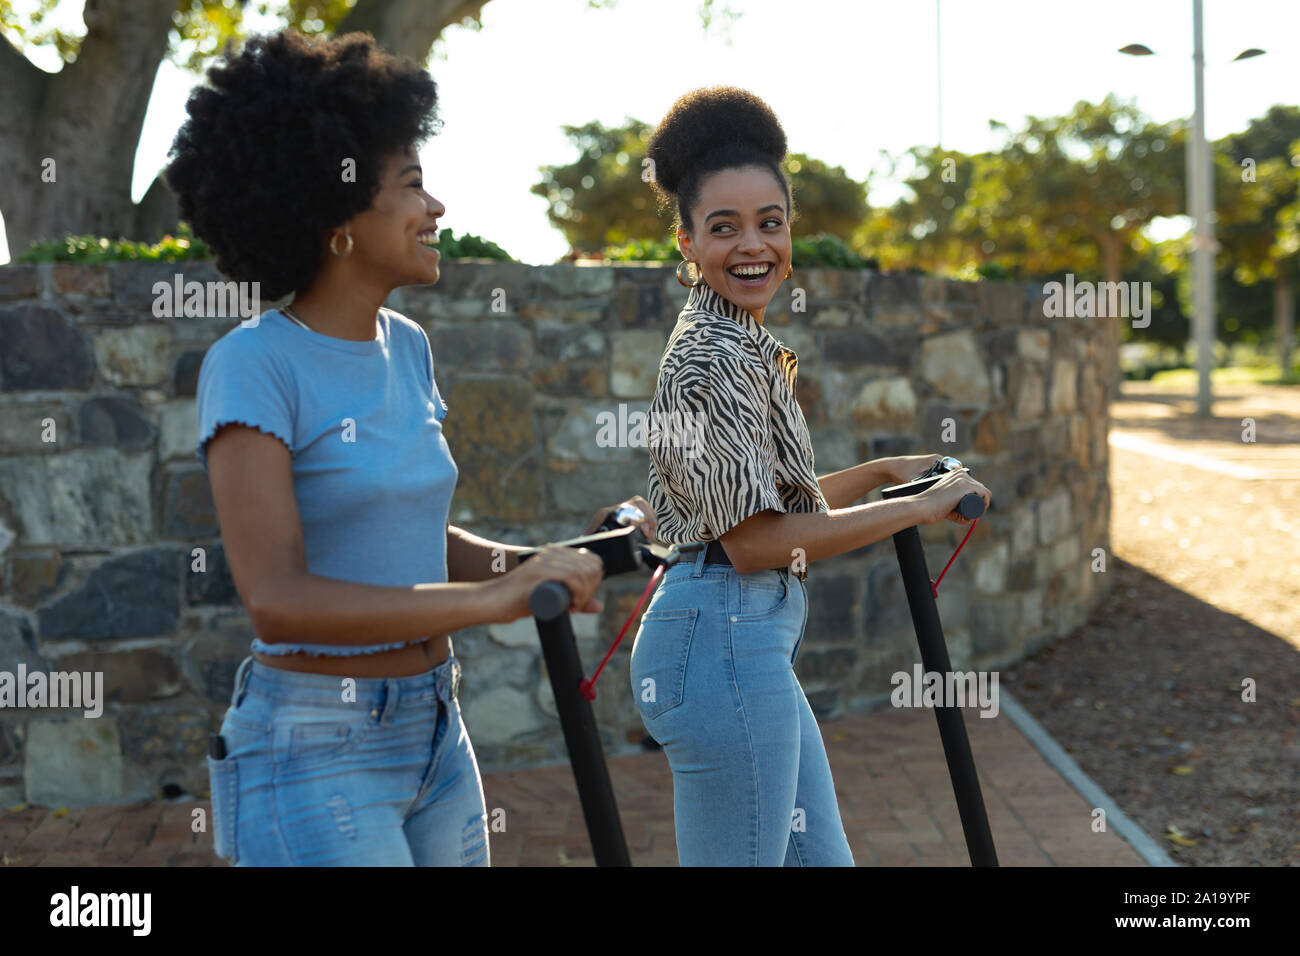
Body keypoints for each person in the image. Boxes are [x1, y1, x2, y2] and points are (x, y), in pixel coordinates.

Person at [165, 28, 656, 866]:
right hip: (314, 745)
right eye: (413, 186)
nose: (437, 208)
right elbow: (279, 599)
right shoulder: (253, 364)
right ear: (334, 219)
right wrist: (490, 605)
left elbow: (418, 543)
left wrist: (555, 559)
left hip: (434, 725)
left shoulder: (408, 346)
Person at [629, 86, 991, 866]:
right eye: (723, 227)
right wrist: (916, 507)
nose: (752, 244)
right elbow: (757, 544)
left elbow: (783, 508)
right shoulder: (710, 359)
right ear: (687, 242)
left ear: (790, 227)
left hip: (743, 642)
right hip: (720, 640)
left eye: (771, 221)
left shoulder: (744, 343)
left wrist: (889, 472)